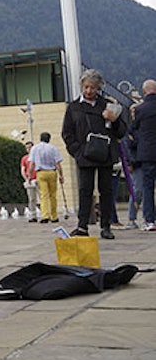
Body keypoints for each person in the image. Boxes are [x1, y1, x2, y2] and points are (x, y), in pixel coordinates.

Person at [61, 69, 127, 239]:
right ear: (82, 87)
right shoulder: (74, 107)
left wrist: (115, 120)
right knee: (85, 190)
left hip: (105, 154)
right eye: (86, 87)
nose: (89, 91)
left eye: (93, 88)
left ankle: (106, 226)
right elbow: (67, 132)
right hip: (85, 155)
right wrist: (77, 151)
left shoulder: (108, 105)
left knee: (106, 191)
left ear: (98, 88)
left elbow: (121, 132)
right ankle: (82, 225)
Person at [132, 79, 156, 231]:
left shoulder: (141, 109)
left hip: (148, 153)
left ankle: (150, 220)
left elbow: (134, 128)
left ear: (144, 91)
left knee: (148, 187)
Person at [28, 133, 64, 224]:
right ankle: (54, 216)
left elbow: (32, 163)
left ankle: (45, 216)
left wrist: (29, 175)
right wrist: (61, 175)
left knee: (44, 195)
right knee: (53, 195)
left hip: (41, 173)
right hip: (52, 172)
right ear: (49, 139)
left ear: (40, 138)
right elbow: (58, 164)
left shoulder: (35, 149)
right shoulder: (53, 148)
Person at [20, 141, 39, 222]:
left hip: (38, 178)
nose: (28, 149)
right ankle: (33, 215)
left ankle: (46, 214)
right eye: (27, 148)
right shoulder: (24, 158)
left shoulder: (37, 157)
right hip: (30, 180)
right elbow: (23, 169)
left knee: (42, 197)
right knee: (31, 198)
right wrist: (26, 178)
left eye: (30, 148)